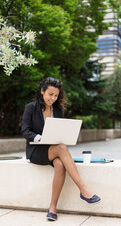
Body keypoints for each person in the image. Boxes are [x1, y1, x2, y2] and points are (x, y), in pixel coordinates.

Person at [21, 77, 101, 221]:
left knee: (59, 164)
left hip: (53, 150)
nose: (53, 98)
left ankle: (52, 208)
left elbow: (59, 130)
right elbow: (25, 131)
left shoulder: (57, 110)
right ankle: (83, 189)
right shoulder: (30, 108)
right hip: (36, 151)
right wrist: (40, 138)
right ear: (42, 91)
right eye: (50, 94)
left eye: (56, 95)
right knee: (62, 148)